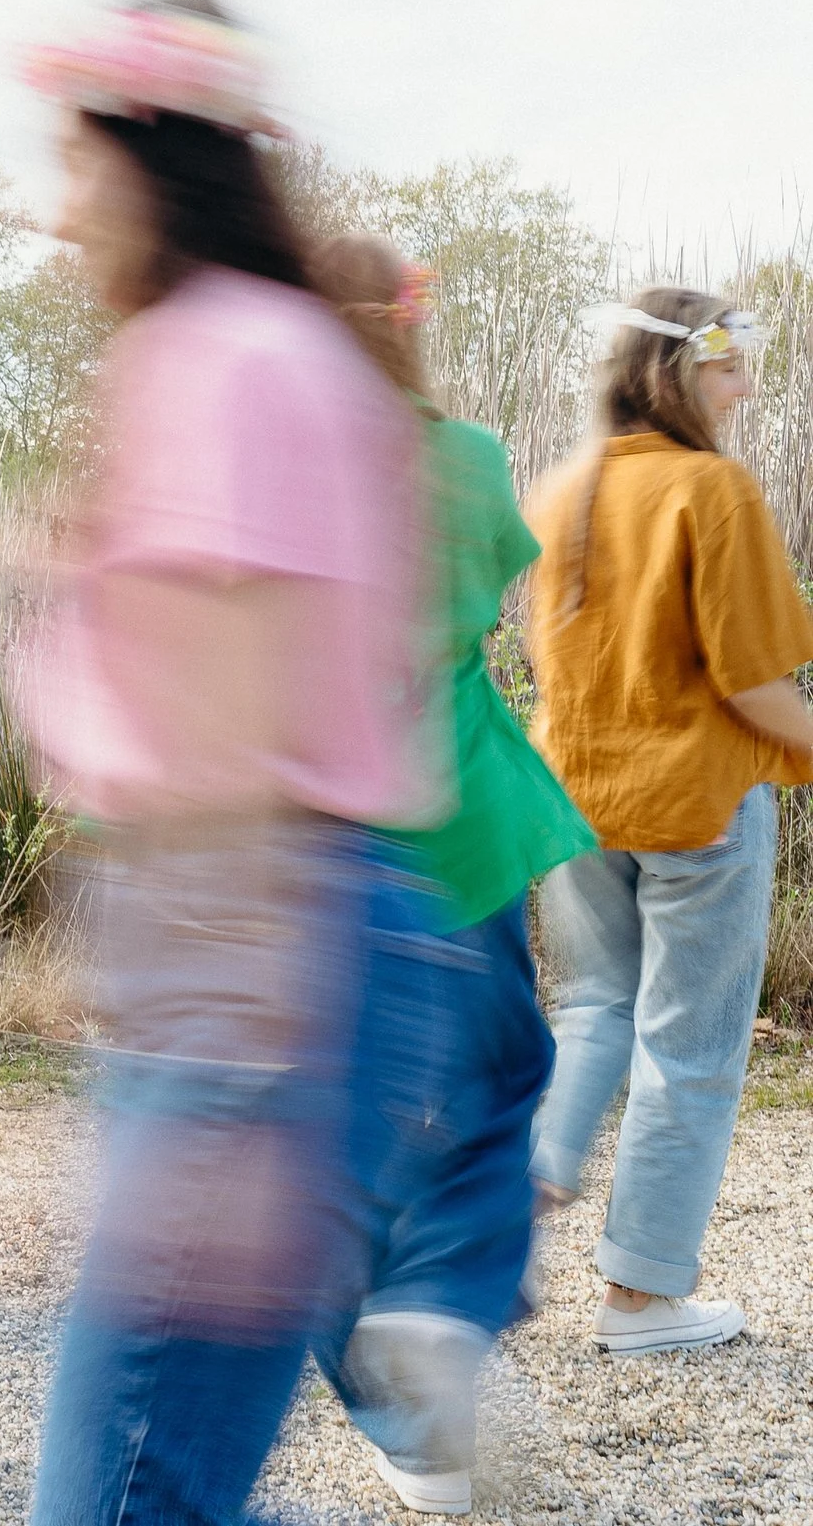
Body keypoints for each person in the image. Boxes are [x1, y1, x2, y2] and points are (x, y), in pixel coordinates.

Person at [17, 0, 435, 1525]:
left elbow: (218, 718)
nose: (56, 214)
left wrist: (225, 1055)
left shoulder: (209, 356)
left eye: (72, 167)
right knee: (174, 1465)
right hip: (314, 932)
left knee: (127, 1488)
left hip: (253, 953)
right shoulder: (299, 348)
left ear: (145, 161)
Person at [307, 234, 596, 1517]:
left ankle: (390, 1391)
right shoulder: (466, 458)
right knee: (497, 1074)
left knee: (322, 1120)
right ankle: (436, 1304)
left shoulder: (279, 463)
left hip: (308, 818)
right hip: (457, 811)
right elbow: (482, 595)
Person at [522, 289, 813, 1357]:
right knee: (687, 1047)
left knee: (594, 1006)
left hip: (576, 800)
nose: (744, 384)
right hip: (696, 804)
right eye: (729, 362)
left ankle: (523, 1185)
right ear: (677, 370)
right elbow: (752, 684)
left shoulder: (562, 492)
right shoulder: (713, 491)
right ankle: (640, 1299)